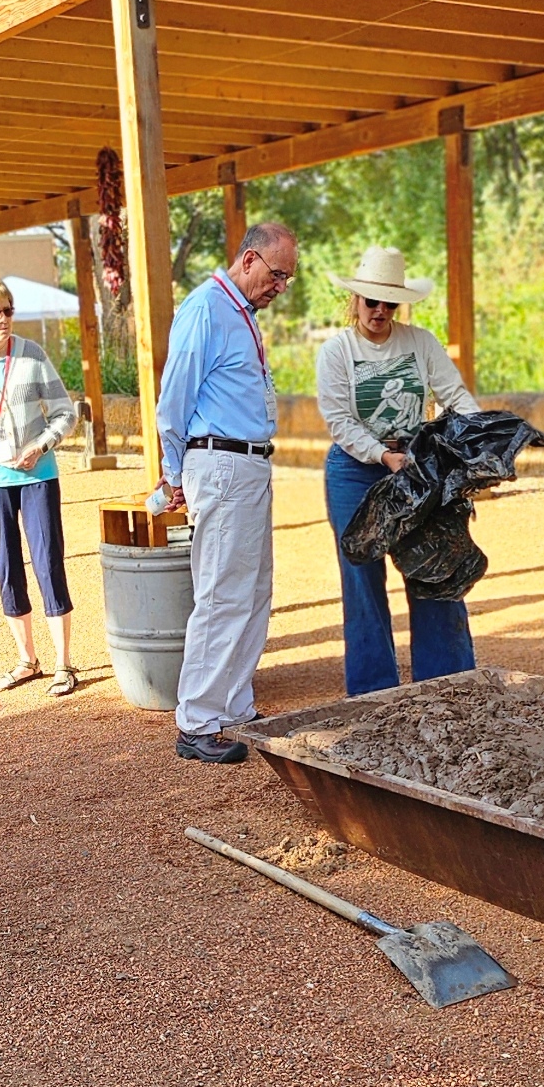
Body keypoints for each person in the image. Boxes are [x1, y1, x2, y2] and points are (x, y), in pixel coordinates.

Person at [156, 222, 298, 764]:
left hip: (250, 463)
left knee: (253, 590)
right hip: (221, 461)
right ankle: (196, 719)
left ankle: (234, 704)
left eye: (287, 277)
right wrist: (173, 474)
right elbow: (174, 400)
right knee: (220, 592)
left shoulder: (240, 314)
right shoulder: (206, 308)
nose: (280, 286)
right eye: (277, 273)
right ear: (249, 259)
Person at [316, 247, 482, 696]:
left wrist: (474, 440)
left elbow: (456, 396)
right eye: (372, 301)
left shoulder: (421, 342)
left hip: (417, 465)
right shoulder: (336, 352)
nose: (380, 311)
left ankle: (448, 684)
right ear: (356, 302)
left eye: (389, 302)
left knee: (434, 567)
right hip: (356, 469)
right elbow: (339, 420)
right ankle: (374, 695)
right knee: (362, 581)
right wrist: (381, 455)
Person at [0, 275, 80, 696]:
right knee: (7, 570)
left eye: (9, 311)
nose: (4, 320)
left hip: (37, 475)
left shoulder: (33, 355)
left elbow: (65, 413)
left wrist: (41, 445)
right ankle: (28, 660)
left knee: (48, 563)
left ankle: (64, 664)